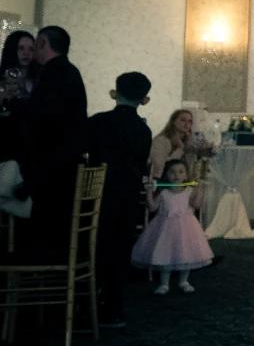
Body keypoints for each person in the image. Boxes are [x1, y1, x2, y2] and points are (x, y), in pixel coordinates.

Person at [13, 25, 88, 263]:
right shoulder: (68, 71)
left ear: (43, 43)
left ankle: (35, 280)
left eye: (35, 43)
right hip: (63, 165)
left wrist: (14, 104)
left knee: (42, 229)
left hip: (52, 169)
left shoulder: (53, 73)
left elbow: (44, 119)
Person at [87, 72, 154, 326]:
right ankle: (114, 306)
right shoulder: (143, 130)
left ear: (114, 94)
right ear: (145, 100)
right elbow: (140, 163)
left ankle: (91, 301)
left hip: (97, 194)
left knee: (97, 247)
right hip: (126, 197)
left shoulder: (97, 122)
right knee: (120, 250)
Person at [131, 159, 213, 294]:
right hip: (165, 229)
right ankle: (164, 284)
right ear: (166, 175)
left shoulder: (189, 190)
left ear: (186, 175)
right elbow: (152, 208)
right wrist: (149, 193)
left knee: (187, 254)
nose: (176, 175)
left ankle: (184, 281)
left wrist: (200, 189)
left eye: (181, 172)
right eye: (172, 172)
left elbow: (197, 205)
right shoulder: (163, 192)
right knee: (165, 254)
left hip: (187, 229)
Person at [1, 29, 37, 111]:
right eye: (21, 48)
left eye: (31, 49)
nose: (26, 53)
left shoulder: (39, 81)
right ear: (12, 50)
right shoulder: (2, 82)